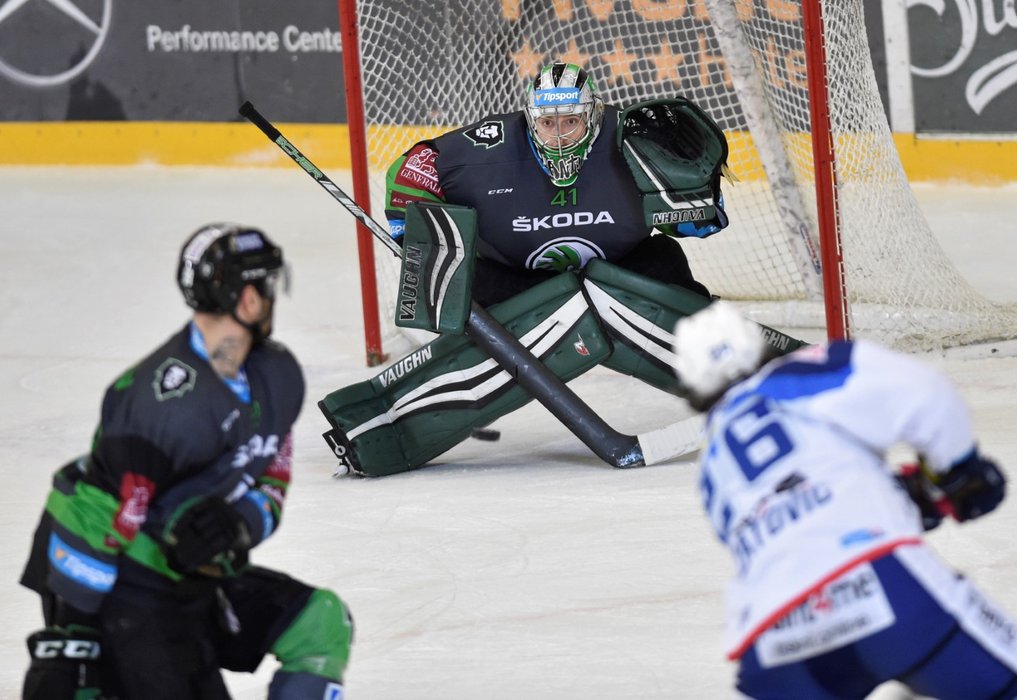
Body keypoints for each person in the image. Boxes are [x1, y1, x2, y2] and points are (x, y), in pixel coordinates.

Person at [19, 224, 352, 699]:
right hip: (130, 587)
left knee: (319, 622)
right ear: (249, 299)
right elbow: (97, 513)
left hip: (195, 578)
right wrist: (73, 639)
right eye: (268, 287)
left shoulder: (278, 376)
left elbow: (272, 479)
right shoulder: (162, 402)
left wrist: (238, 526)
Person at [671, 302, 1017, 699]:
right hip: (881, 587)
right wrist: (954, 473)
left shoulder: (712, 462)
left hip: (771, 641)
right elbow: (926, 394)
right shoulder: (801, 372)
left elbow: (793, 521)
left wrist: (895, 499)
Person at [384, 60, 726, 307]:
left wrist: (693, 212)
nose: (559, 135)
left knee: (664, 258)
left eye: (571, 121)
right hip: (517, 281)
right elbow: (418, 161)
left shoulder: (634, 138)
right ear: (531, 120)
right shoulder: (491, 146)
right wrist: (409, 230)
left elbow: (693, 219)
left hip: (620, 273)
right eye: (548, 122)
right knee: (471, 281)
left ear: (594, 115)